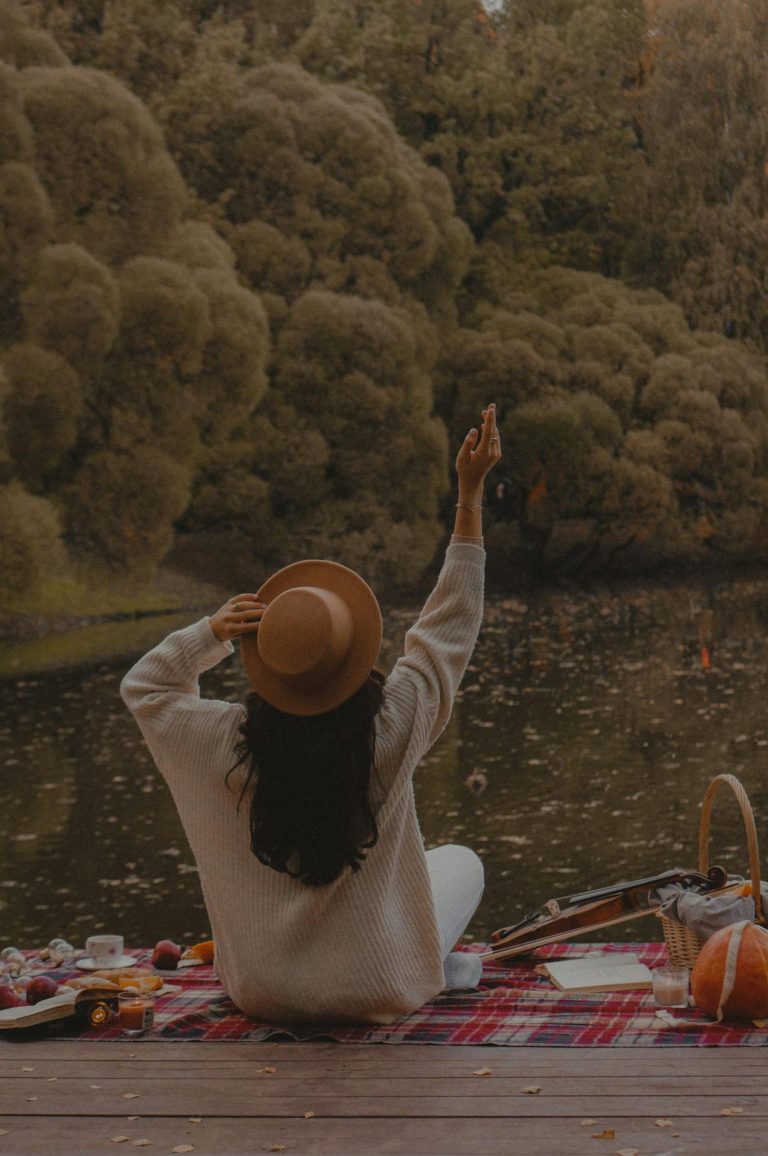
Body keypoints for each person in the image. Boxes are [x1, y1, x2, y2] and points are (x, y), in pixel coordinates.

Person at [121, 404, 502, 1024]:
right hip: (379, 989)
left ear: (264, 663)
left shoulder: (220, 741)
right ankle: (434, 968)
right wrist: (470, 493)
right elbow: (449, 626)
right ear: (355, 653)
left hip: (262, 993)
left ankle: (440, 969)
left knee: (435, 877)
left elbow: (147, 688)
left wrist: (210, 633)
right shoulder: (392, 723)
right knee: (461, 863)